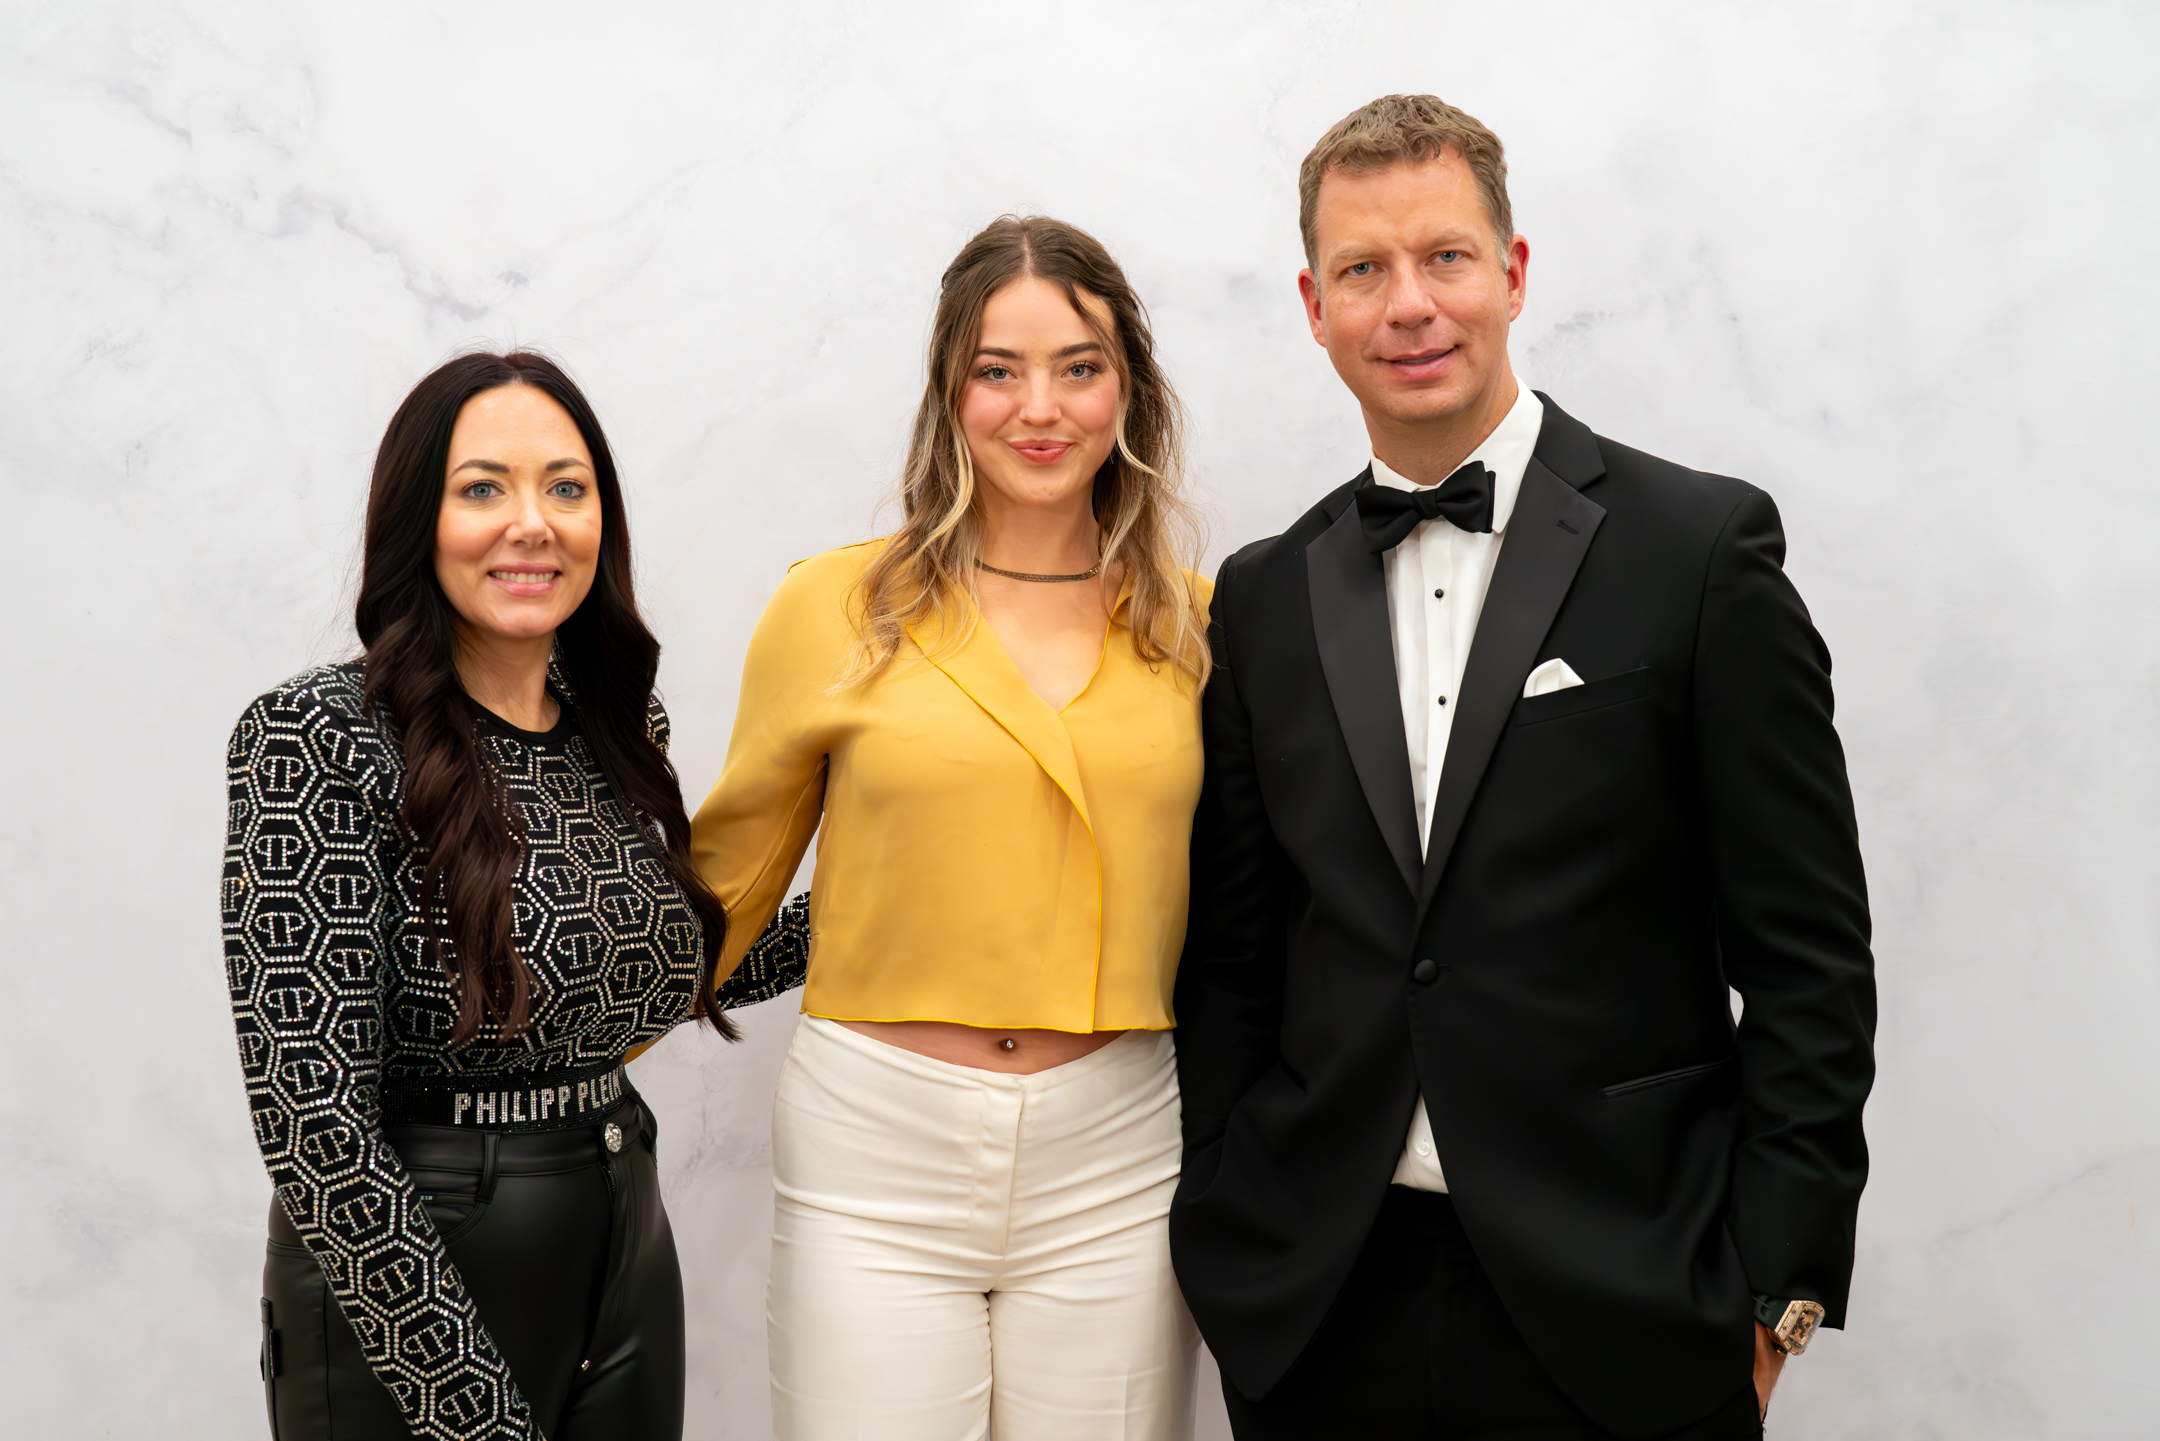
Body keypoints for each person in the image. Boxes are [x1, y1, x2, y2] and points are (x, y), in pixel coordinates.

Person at [1169, 94, 1878, 1440]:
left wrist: (1774, 1287)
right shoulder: (1262, 596)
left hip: (1629, 1302)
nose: (1410, 305)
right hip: (1321, 1308)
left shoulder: (1700, 551)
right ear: (1314, 305)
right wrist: (1228, 1221)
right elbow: (1237, 962)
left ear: (1513, 270)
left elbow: (1809, 958)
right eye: (1364, 269)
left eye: (1445, 256)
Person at [689, 215, 1210, 1440]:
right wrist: (530, 1062)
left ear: (1131, 390)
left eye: (1079, 367)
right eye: (998, 370)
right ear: (947, 391)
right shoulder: (837, 604)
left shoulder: (1198, 626)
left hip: (1122, 1152)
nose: (1042, 408)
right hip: (874, 1150)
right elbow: (722, 891)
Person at [224, 351, 806, 1441]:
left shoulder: (616, 727)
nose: (532, 523)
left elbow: (646, 970)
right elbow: (314, 1121)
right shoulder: (316, 737)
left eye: (566, 487)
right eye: (483, 487)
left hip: (623, 1231)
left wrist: (897, 889)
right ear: (419, 519)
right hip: (415, 1259)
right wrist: (470, 1408)